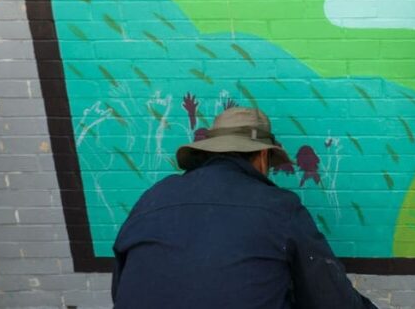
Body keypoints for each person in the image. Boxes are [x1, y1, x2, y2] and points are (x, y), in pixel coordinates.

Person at [111, 107, 378, 309]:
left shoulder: (152, 198)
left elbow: (120, 287)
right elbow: (330, 298)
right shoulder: (279, 208)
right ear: (262, 156)